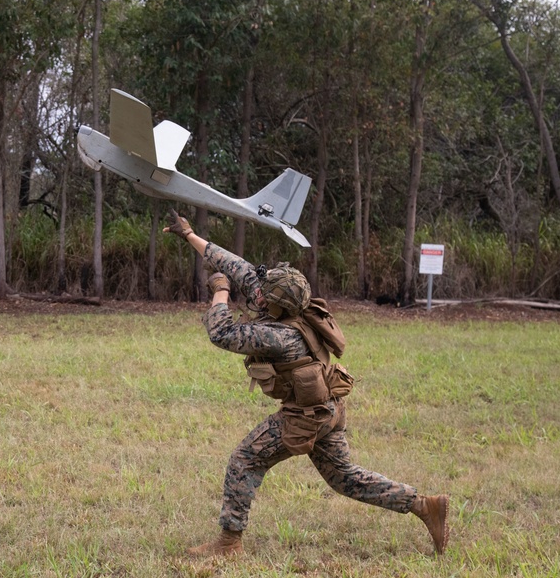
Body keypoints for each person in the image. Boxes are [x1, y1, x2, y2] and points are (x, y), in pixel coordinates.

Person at [163, 209, 450, 558]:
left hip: (305, 416)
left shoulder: (278, 336)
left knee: (244, 460)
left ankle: (228, 543)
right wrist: (189, 234)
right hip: (328, 409)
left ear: (274, 304)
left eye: (265, 291)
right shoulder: (294, 306)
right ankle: (424, 505)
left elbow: (222, 332)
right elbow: (237, 264)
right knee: (346, 478)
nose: (258, 291)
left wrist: (220, 291)